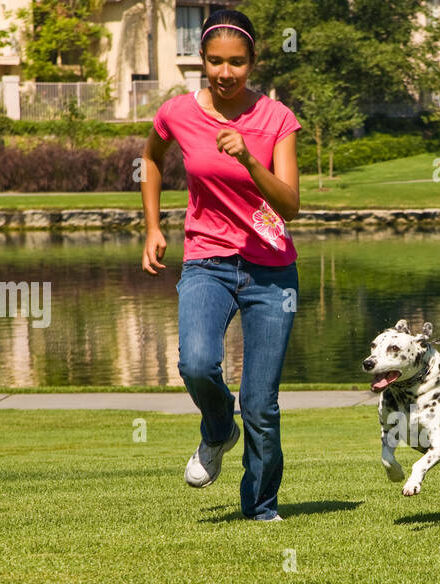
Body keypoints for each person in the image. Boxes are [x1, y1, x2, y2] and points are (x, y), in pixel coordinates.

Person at [141, 9, 301, 522]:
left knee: (260, 403)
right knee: (196, 363)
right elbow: (149, 158)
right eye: (215, 62)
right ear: (201, 60)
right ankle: (216, 430)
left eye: (236, 63)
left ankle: (259, 507)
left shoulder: (277, 119)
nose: (225, 73)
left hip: (271, 269)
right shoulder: (177, 113)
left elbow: (291, 205)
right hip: (207, 260)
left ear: (253, 62)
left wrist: (250, 161)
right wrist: (152, 225)